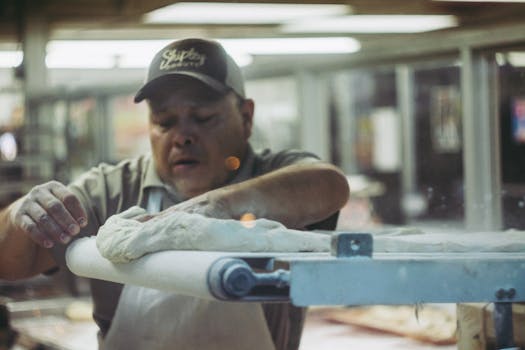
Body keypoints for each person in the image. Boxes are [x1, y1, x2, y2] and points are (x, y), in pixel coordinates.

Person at [0, 38, 350, 349]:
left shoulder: (275, 173)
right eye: (165, 122)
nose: (182, 136)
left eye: (202, 117)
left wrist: (212, 208)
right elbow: (12, 262)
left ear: (246, 117)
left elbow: (328, 184)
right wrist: (20, 215)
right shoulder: (111, 191)